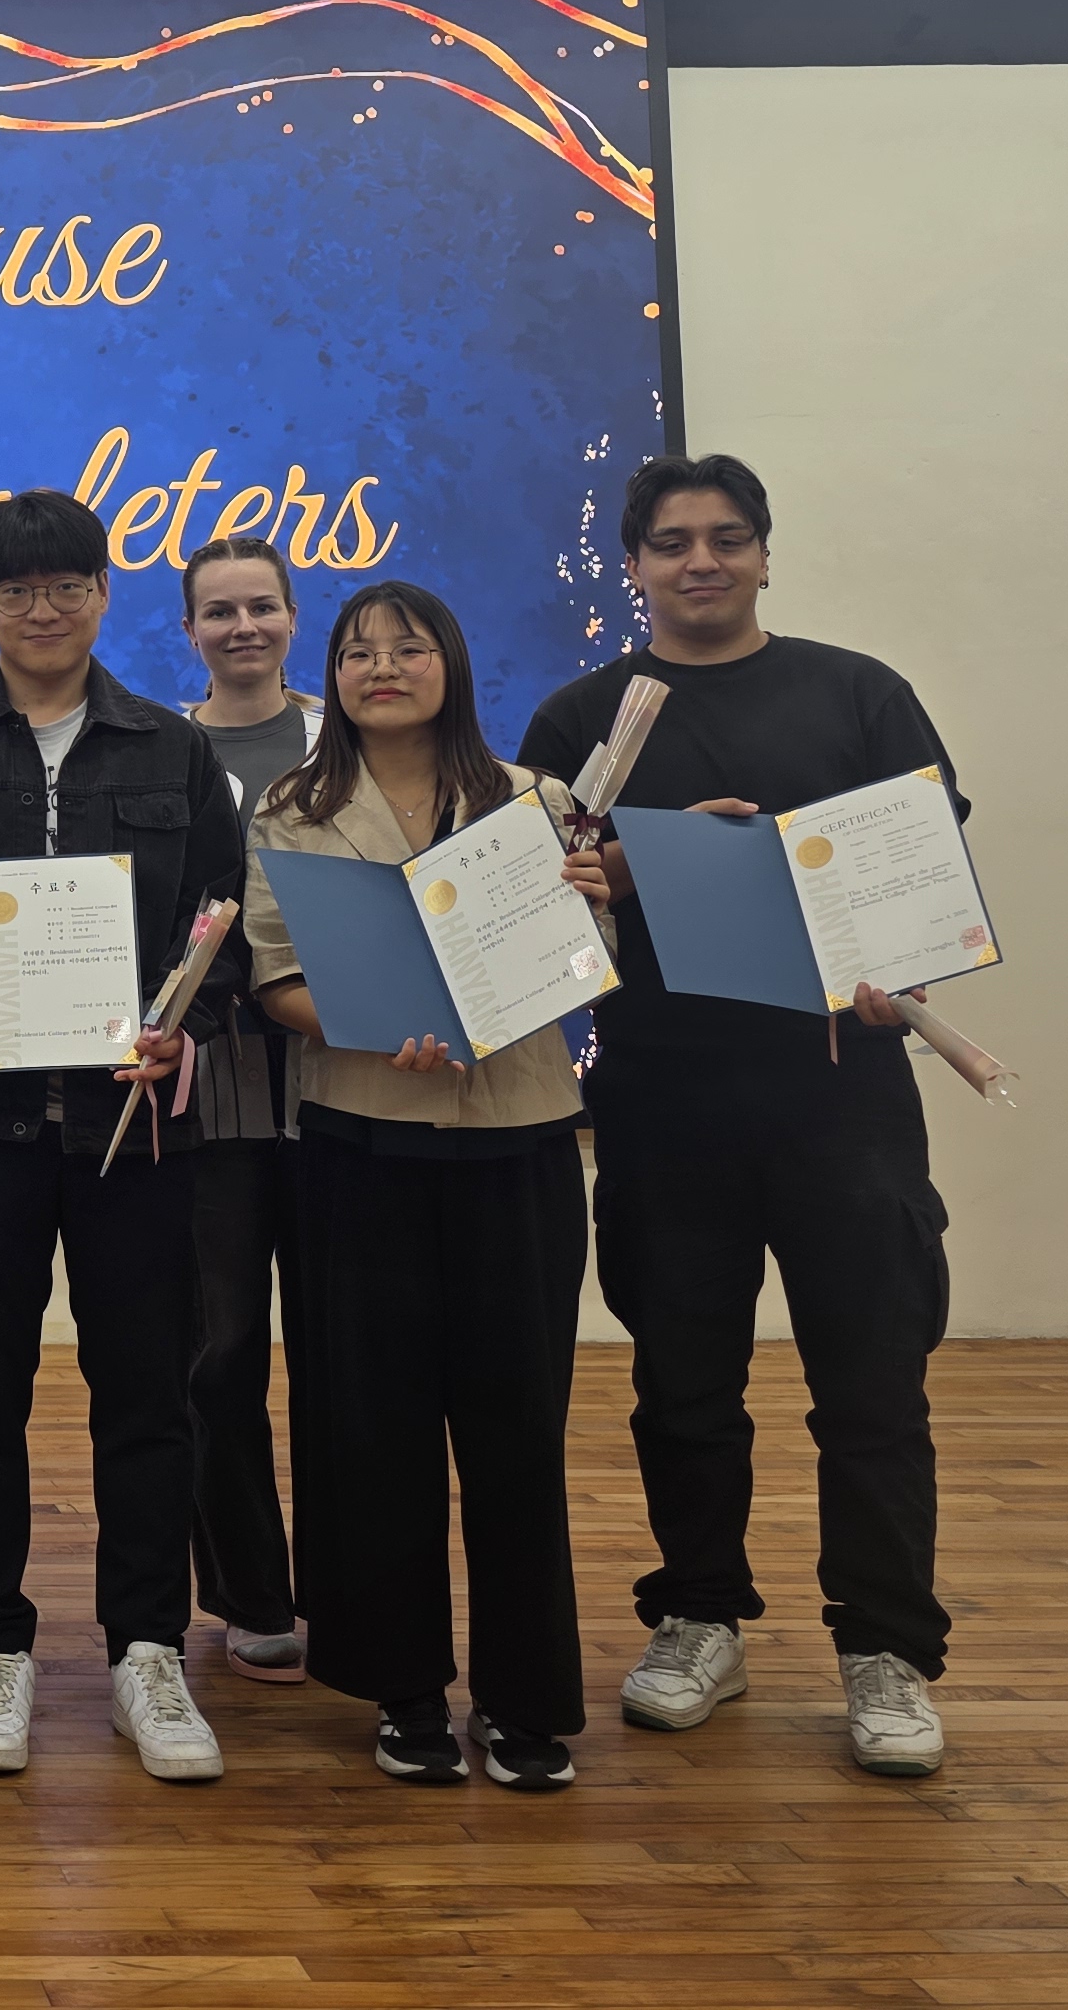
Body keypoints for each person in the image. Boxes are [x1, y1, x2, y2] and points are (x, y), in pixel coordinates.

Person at [518, 454, 967, 1780]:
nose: (700, 562)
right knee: (683, 1384)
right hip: (663, 1093)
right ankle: (699, 1616)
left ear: (765, 552)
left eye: (726, 538)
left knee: (871, 1385)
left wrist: (904, 967)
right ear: (634, 565)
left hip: (841, 1097)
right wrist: (615, 874)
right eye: (671, 543)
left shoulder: (859, 695)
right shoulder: (582, 718)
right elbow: (530, 916)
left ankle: (886, 1648)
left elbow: (924, 869)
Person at [0, 491, 236, 1786]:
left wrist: (187, 1031)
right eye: (15, 589)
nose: (43, 609)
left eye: (67, 584)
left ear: (102, 592)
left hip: (134, 1127)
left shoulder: (174, 750)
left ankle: (146, 1649)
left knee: (146, 1392)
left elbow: (218, 931)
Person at [242, 578, 606, 1791]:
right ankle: (401, 1689)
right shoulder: (292, 809)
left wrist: (585, 921)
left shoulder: (534, 803)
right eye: (357, 652)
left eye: (406, 648)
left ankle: (523, 1698)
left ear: (449, 662)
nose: (382, 667)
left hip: (518, 1142)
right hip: (361, 1142)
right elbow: (272, 976)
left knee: (517, 1431)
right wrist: (367, 1018)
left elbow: (586, 963)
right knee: (372, 1429)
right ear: (332, 677)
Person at [175, 532, 320, 1686]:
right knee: (218, 1351)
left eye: (260, 606)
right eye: (219, 612)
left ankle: (350, 1581)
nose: (242, 628)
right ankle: (248, 1592)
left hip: (339, 1084)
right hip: (212, 1092)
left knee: (342, 1349)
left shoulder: (347, 736)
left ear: (291, 617)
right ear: (189, 631)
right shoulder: (165, 751)